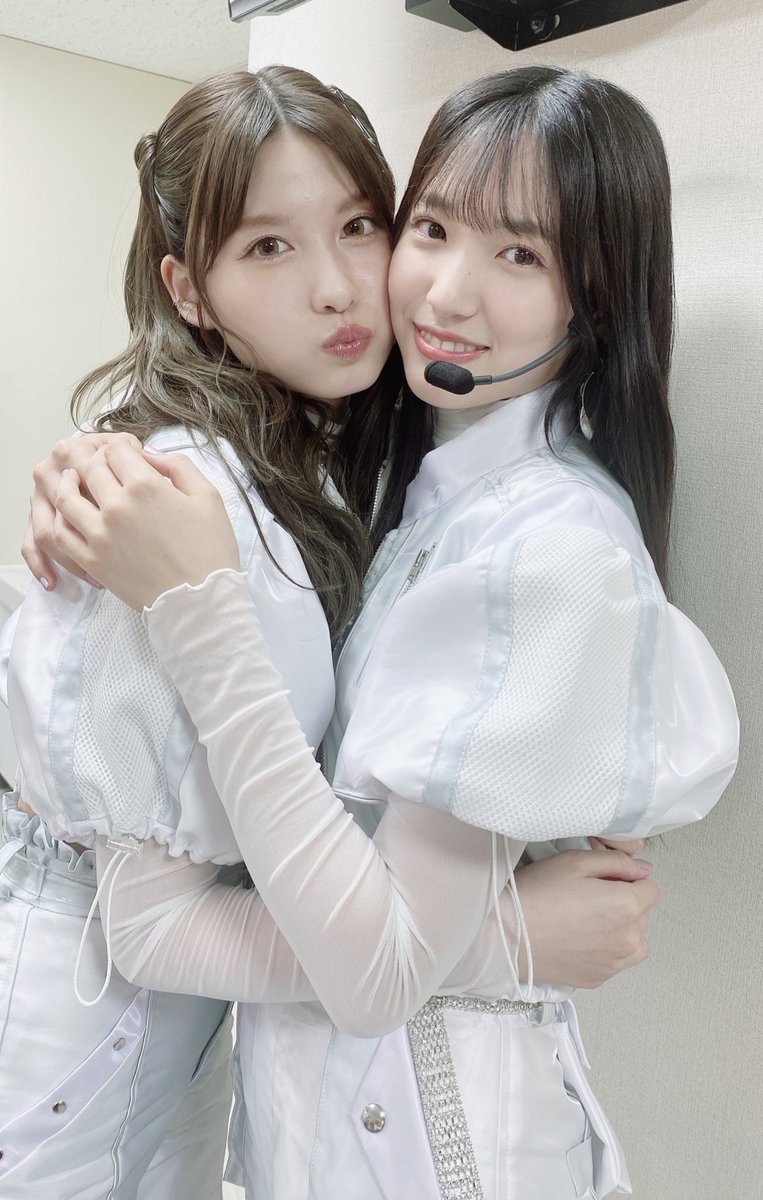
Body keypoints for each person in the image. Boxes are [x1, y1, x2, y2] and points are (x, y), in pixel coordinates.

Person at [35, 67, 739, 1200]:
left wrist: (199, 607)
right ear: (190, 290)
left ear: (595, 297)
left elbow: (375, 971)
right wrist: (109, 452)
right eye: (431, 228)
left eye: (521, 255)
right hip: (314, 1123)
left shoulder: (545, 552)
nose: (444, 293)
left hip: (437, 1145)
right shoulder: (390, 484)